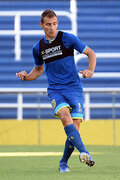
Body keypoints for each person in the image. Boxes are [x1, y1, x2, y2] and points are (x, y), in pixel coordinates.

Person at [16, 9, 96, 172]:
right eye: (48, 25)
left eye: (54, 24)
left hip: (74, 89)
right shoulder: (37, 47)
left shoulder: (68, 38)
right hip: (55, 90)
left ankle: (63, 163)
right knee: (65, 116)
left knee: (75, 128)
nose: (51, 28)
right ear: (41, 25)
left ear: (57, 24)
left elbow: (91, 53)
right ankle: (84, 152)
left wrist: (90, 70)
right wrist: (26, 77)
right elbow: (38, 71)